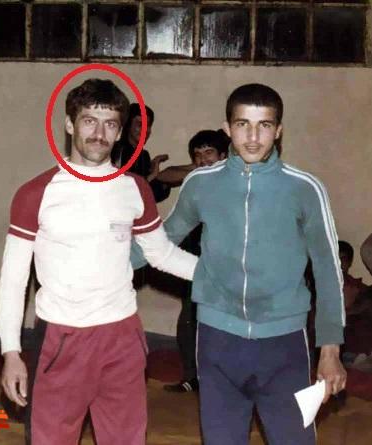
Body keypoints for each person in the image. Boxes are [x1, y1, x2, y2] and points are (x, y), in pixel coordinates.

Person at [132, 83, 346, 444]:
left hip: (284, 343)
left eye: (264, 125)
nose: (253, 137)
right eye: (243, 124)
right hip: (217, 340)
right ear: (228, 128)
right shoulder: (201, 183)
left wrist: (330, 349)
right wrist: (103, 260)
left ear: (279, 130)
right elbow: (159, 241)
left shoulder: (305, 188)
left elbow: (328, 271)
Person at [0, 78, 198, 445]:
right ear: (69, 124)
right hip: (61, 337)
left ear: (120, 132)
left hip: (122, 338)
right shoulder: (36, 193)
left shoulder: (134, 189)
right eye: (89, 121)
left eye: (110, 124)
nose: (99, 134)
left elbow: (162, 254)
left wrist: (222, 273)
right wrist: (10, 351)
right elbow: (13, 279)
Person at [162, 130, 228, 393]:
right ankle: (193, 377)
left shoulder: (235, 179)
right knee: (189, 321)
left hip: (227, 266)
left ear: (224, 155)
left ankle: (223, 381)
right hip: (195, 263)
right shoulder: (196, 182)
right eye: (198, 155)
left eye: (209, 152)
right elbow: (165, 175)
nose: (203, 159)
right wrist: (200, 166)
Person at [111, 103, 170, 202]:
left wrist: (165, 182)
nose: (145, 130)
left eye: (148, 125)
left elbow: (150, 195)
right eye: (139, 124)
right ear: (128, 126)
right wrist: (153, 175)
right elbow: (124, 192)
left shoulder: (143, 155)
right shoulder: (116, 151)